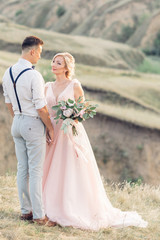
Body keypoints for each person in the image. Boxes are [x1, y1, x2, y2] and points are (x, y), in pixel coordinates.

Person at [42, 52, 148, 230]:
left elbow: (82, 109)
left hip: (69, 133)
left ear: (66, 67)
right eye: (53, 61)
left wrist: (73, 116)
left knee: (67, 168)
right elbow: (44, 110)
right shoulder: (47, 86)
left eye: (58, 62)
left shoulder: (74, 85)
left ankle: (69, 207)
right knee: (48, 168)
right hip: (51, 132)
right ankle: (45, 207)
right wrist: (47, 127)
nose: (54, 64)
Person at [2, 36, 54, 225]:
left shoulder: (7, 72)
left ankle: (25, 211)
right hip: (32, 123)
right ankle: (39, 216)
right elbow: (41, 107)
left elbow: (8, 101)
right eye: (39, 53)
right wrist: (50, 127)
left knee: (22, 169)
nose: (39, 57)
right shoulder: (34, 75)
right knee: (35, 170)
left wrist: (18, 118)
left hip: (17, 122)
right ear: (32, 51)